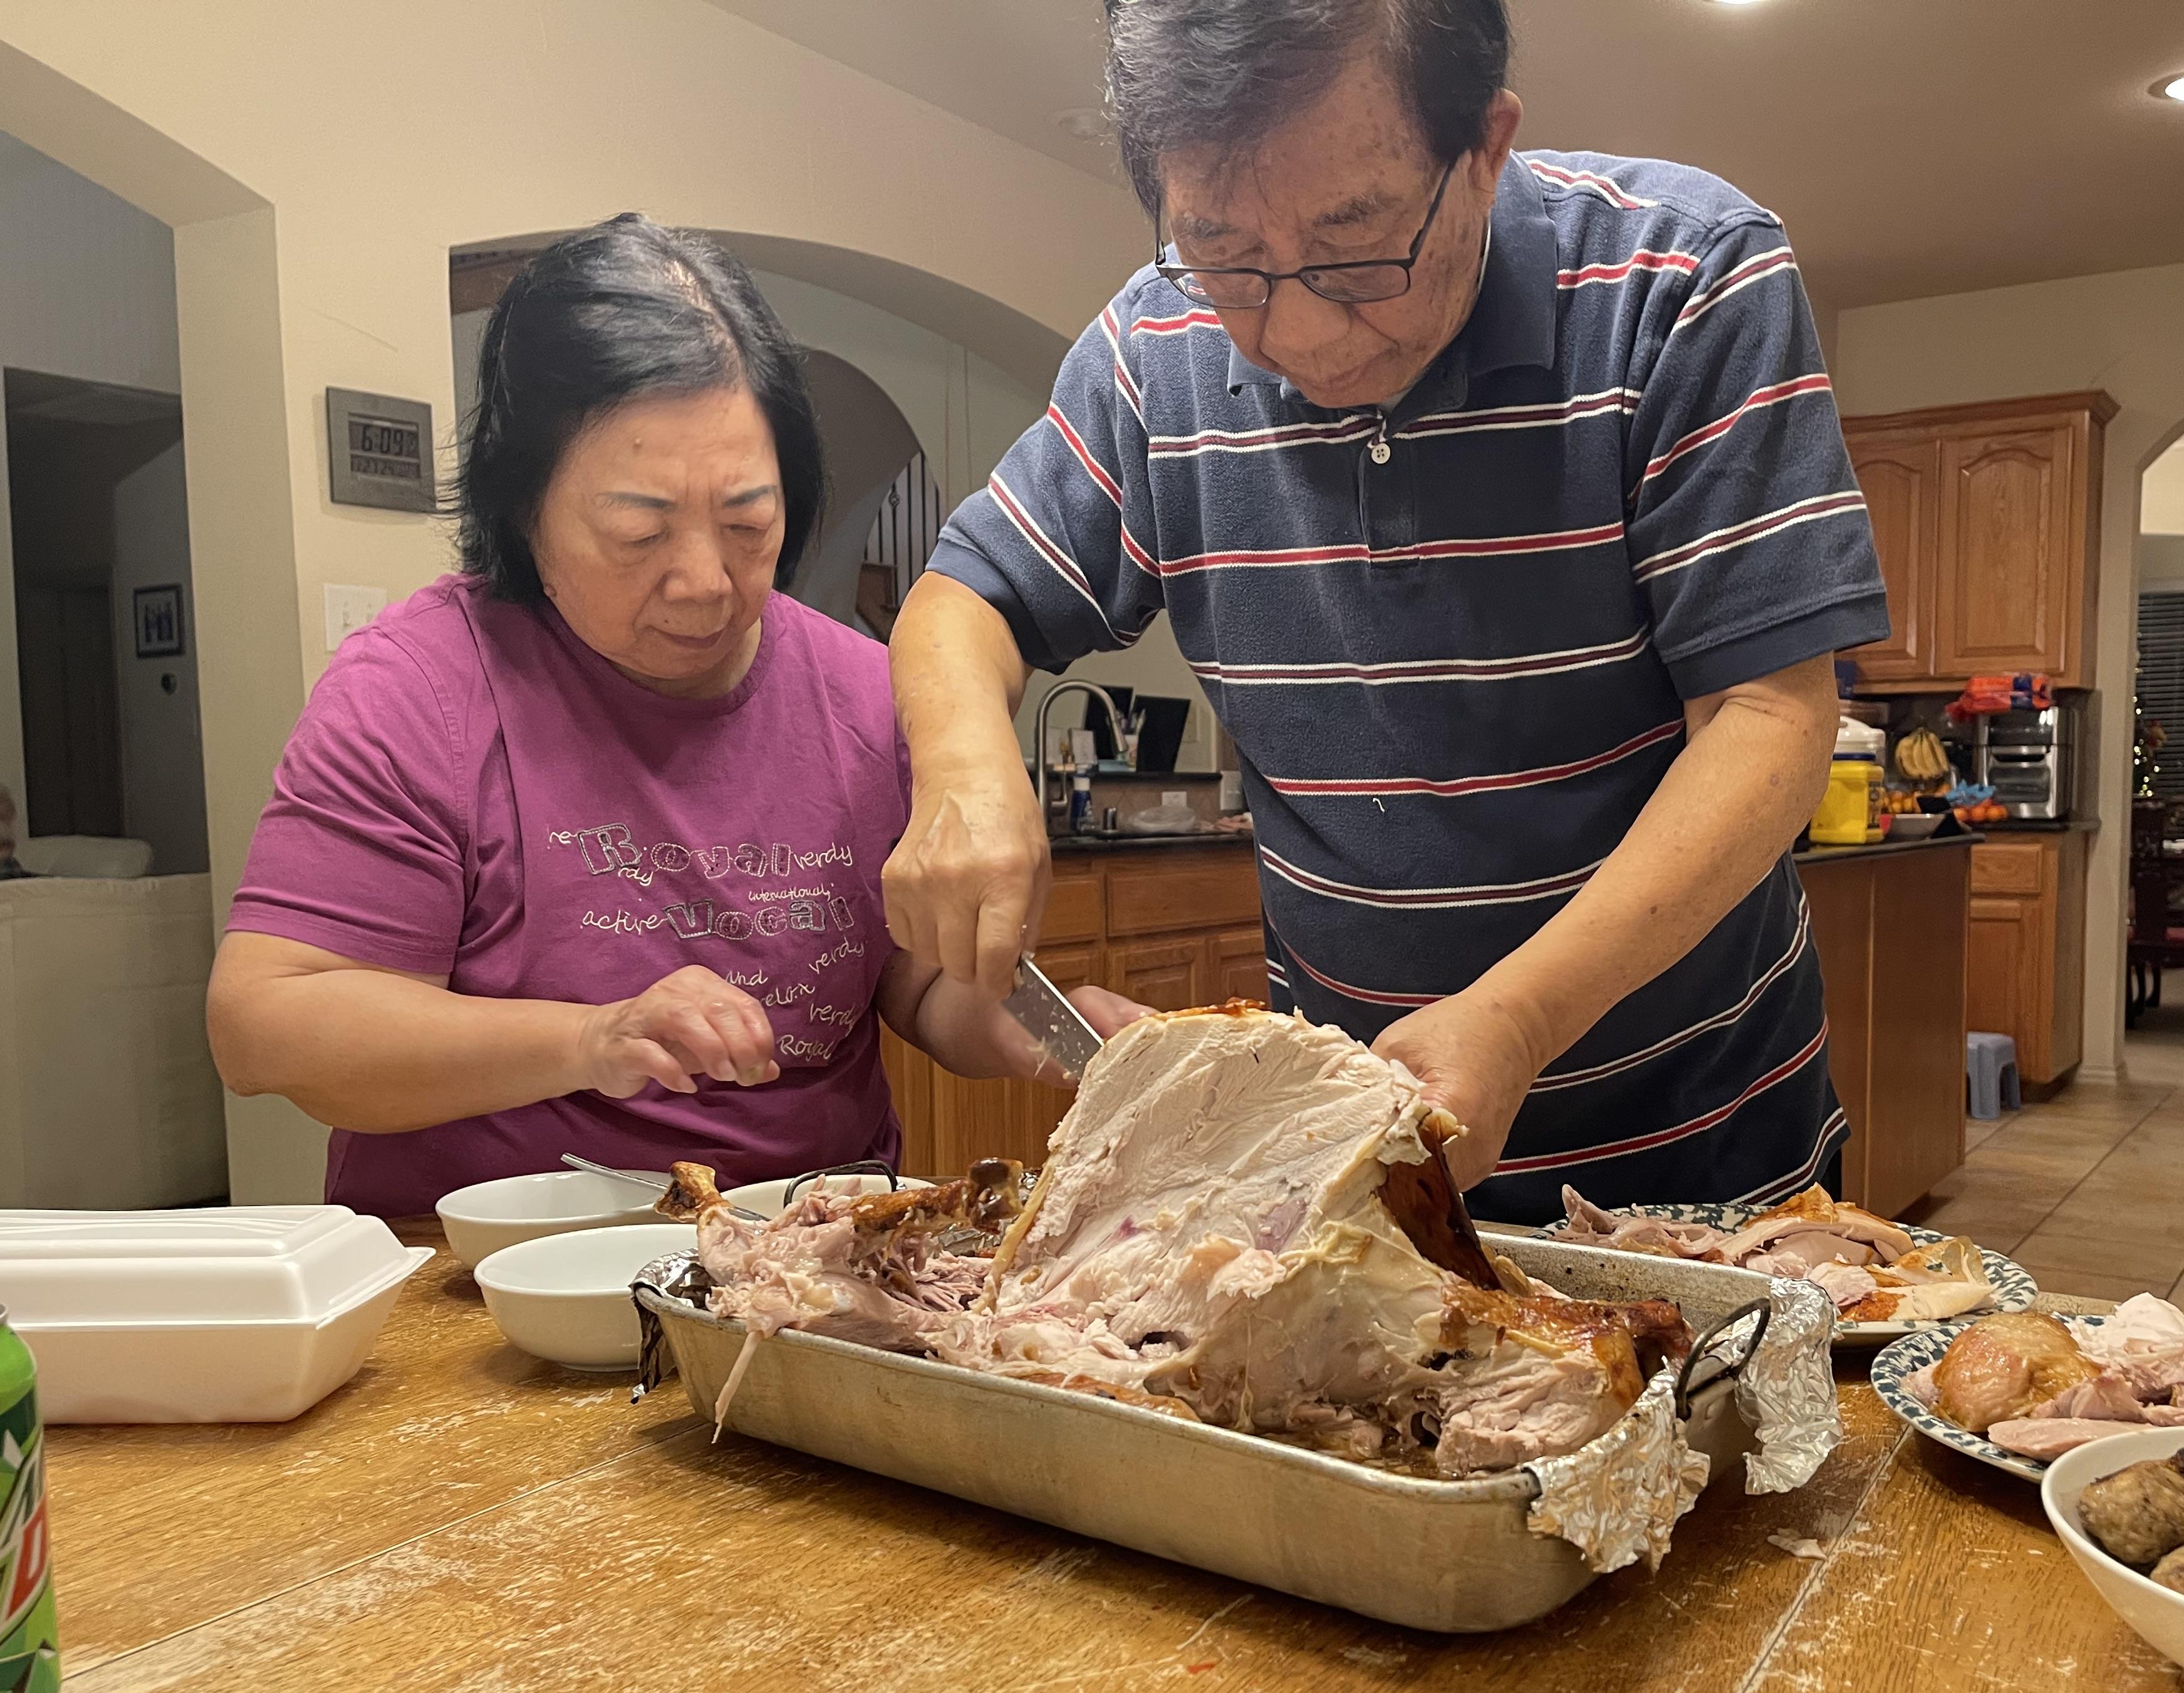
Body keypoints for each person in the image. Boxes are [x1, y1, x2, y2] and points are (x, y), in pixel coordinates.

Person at [885, 0, 1888, 1222]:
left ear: (1486, 145)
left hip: (1705, 1163)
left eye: (1358, 252)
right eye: (1227, 256)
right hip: (1361, 1163)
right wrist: (965, 773)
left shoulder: (1684, 279)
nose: (1296, 330)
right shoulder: (1157, 352)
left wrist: (1518, 1018)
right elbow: (962, 597)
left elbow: (1771, 722)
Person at [208, 216, 1134, 1218]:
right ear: (523, 509)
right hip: (491, 1293)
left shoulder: (866, 695)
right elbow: (267, 1023)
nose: (704, 583)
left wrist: (1026, 1029)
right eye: (638, 531)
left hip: (809, 1266)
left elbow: (912, 986)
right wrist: (589, 1041)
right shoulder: (419, 690)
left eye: (748, 524)